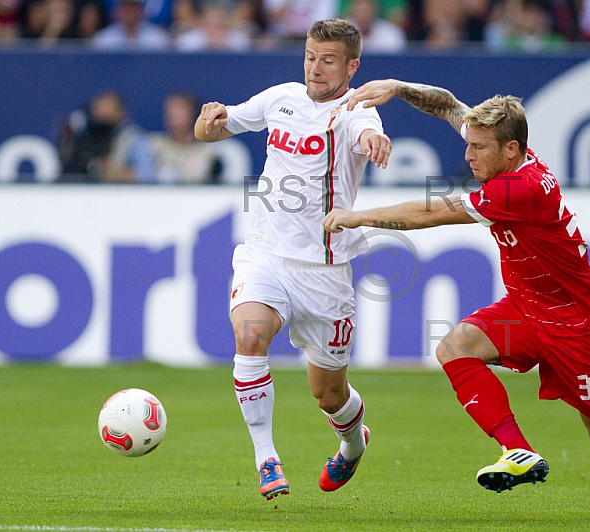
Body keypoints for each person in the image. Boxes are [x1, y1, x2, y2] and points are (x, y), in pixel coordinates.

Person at [322, 79, 590, 519]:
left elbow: (433, 212)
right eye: (470, 145)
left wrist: (358, 216)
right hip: (526, 310)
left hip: (579, 324)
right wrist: (398, 87)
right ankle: (518, 450)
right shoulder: (511, 155)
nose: (468, 155)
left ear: (511, 150)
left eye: (479, 148)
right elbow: (447, 103)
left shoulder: (520, 189)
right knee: (454, 347)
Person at [194, 19, 391, 500]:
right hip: (266, 253)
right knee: (250, 333)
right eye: (310, 56)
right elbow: (216, 129)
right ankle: (266, 459)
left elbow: (366, 128)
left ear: (352, 66)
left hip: (325, 273)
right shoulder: (280, 97)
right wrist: (208, 122)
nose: (315, 68)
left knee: (329, 393)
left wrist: (371, 140)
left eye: (328, 60)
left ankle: (350, 442)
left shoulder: (356, 110)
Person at [57, 90, 154, 183]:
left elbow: (146, 177)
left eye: (106, 107)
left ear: (121, 112)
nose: (100, 112)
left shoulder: (134, 139)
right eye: (98, 107)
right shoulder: (85, 136)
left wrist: (112, 171)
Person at [150, 92, 219, 183]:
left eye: (179, 110)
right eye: (169, 110)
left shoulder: (208, 151)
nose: (172, 114)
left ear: (192, 113)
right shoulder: (153, 145)